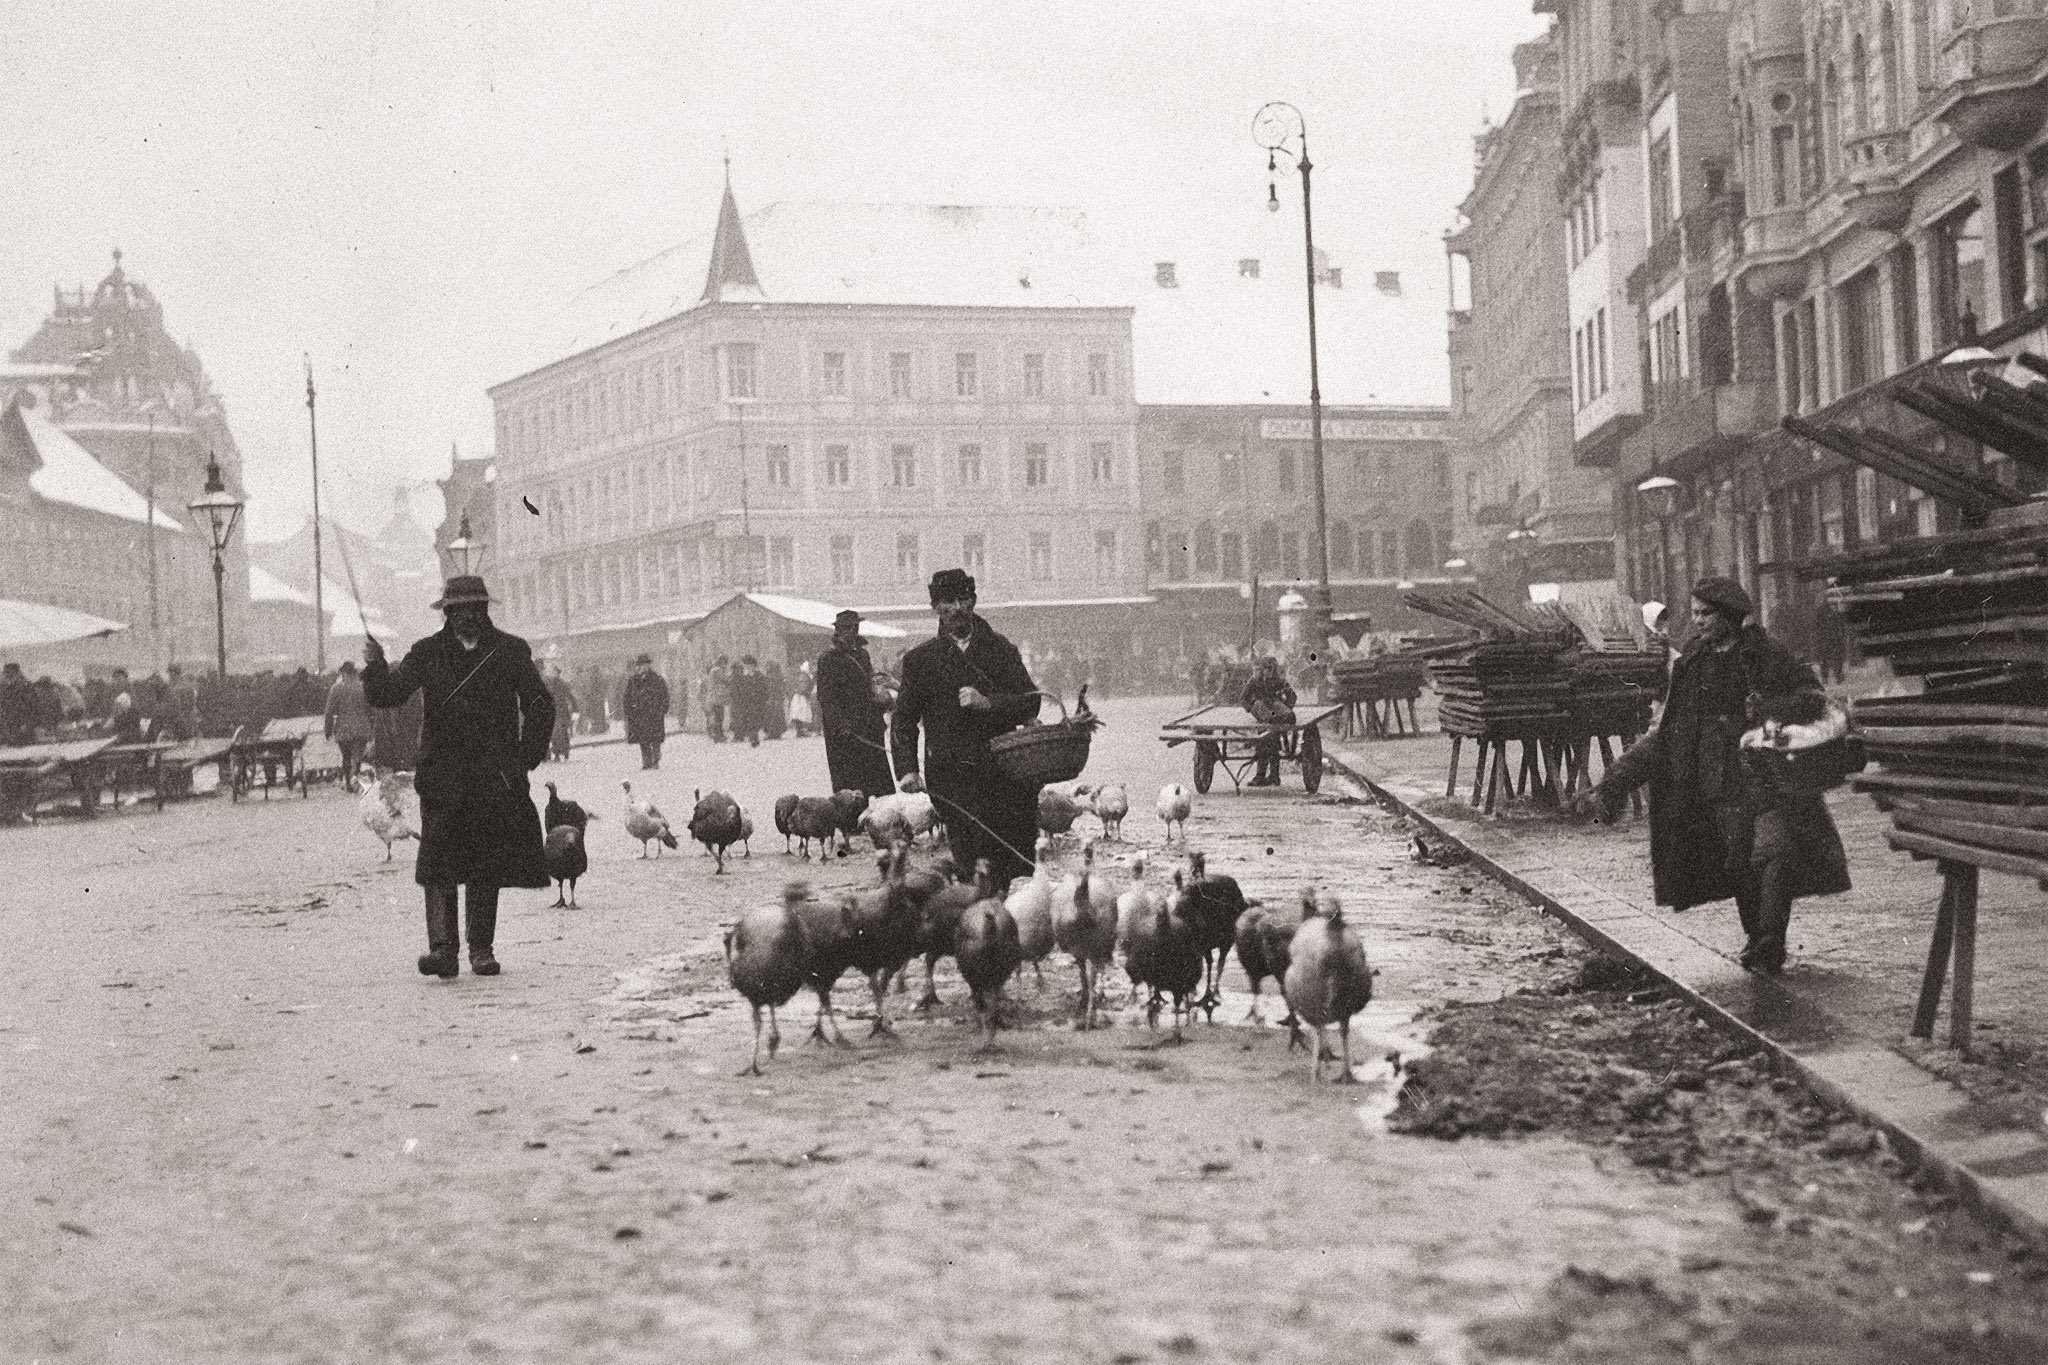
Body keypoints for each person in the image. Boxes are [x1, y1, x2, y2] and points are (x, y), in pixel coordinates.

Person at [1580, 577, 1850, 975]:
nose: (1698, 621)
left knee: (1773, 854)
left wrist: (1770, 706)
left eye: (1706, 614)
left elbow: (1812, 696)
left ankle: (1770, 943)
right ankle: (1757, 937)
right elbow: (1672, 727)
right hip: (1715, 776)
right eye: (1695, 613)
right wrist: (1617, 781)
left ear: (1729, 616)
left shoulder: (1767, 653)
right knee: (1739, 861)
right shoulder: (1692, 660)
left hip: (1767, 771)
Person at [362, 574, 554, 981]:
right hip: (443, 776)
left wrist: (526, 755)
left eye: (476, 609)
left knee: (485, 863)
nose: (469, 617)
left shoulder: (510, 651)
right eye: (460, 610)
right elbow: (388, 695)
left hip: (492, 776)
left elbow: (540, 703)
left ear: (485, 611)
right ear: (447, 613)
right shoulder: (427, 653)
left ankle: (481, 950)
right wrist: (375, 664)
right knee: (438, 862)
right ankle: (443, 952)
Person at [891, 569, 1042, 886]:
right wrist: (906, 769)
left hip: (1002, 774)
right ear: (936, 607)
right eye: (948, 601)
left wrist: (990, 704)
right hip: (950, 776)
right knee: (968, 859)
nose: (957, 607)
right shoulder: (920, 660)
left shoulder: (1001, 650)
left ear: (974, 602)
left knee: (1009, 861)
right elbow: (903, 718)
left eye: (964, 599)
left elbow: (1031, 702)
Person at [817, 610, 897, 798]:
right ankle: (852, 824)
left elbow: (868, 689)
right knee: (850, 785)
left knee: (878, 783)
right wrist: (839, 724)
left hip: (869, 726)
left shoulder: (862, 655)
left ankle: (879, 820)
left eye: (854, 627)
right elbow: (826, 698)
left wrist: (883, 703)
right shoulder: (828, 660)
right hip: (845, 733)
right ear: (838, 631)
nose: (851, 632)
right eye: (846, 628)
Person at [1240, 655, 1298, 787]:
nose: (1268, 671)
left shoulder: (1279, 682)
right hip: (1263, 715)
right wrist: (1250, 708)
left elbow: (1292, 695)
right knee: (1263, 742)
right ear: (1261, 669)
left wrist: (1287, 706)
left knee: (1274, 743)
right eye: (1266, 668)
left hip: (1275, 713)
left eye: (1271, 668)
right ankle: (1260, 775)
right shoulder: (1254, 682)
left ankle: (1274, 776)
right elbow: (1243, 698)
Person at [324, 661, 374, 789]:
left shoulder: (336, 688)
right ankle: (355, 777)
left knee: (346, 756)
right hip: (362, 727)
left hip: (343, 729)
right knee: (358, 755)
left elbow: (329, 712)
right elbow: (371, 710)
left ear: (343, 673)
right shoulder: (364, 687)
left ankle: (348, 781)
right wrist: (372, 727)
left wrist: (328, 730)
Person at [623, 654, 671, 770]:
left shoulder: (657, 679)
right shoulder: (633, 680)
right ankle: (646, 762)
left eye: (643, 665)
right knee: (643, 740)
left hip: (654, 713)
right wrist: (628, 711)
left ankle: (655, 760)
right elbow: (627, 697)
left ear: (648, 665)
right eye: (639, 665)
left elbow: (664, 695)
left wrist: (662, 709)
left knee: (655, 739)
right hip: (640, 714)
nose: (641, 667)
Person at [161, 664, 201, 742]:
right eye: (169, 674)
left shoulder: (184, 688)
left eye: (172, 674)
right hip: (172, 720)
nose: (170, 676)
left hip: (181, 721)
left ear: (177, 674)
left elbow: (188, 707)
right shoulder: (169, 688)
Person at [545, 664, 577, 761]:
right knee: (557, 733)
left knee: (560, 733)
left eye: (555, 673)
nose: (554, 675)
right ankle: (559, 753)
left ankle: (562, 752)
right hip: (556, 711)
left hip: (561, 711)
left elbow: (570, 697)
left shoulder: (560, 684)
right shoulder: (552, 684)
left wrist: (575, 708)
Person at [1813, 597, 1848, 685]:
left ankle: (1838, 677)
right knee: (1825, 659)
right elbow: (1817, 626)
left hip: (1834, 637)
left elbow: (1842, 623)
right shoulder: (1821, 611)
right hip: (1826, 638)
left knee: (1836, 658)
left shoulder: (1838, 610)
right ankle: (1826, 678)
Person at [705, 656, 731, 743]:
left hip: (713, 697)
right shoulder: (717, 670)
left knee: (716, 716)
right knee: (719, 717)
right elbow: (725, 680)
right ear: (722, 663)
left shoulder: (714, 670)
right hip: (716, 698)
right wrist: (730, 676)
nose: (725, 665)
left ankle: (716, 734)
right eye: (725, 663)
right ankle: (718, 735)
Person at [788, 660, 817, 737]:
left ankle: (801, 730)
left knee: (800, 714)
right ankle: (801, 730)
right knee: (801, 714)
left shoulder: (803, 676)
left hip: (800, 697)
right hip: (801, 697)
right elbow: (803, 686)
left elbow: (802, 686)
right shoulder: (806, 676)